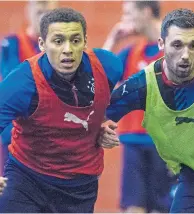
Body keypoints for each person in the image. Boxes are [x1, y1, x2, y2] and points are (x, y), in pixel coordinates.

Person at [102, 8, 194, 213]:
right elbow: (95, 115)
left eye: (193, 45)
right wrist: (98, 133)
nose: (185, 55)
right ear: (161, 44)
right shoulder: (143, 85)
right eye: (177, 45)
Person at [0, 7, 122, 212]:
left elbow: (116, 103)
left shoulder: (108, 66)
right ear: (42, 44)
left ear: (85, 41)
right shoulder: (22, 83)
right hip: (27, 179)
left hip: (79, 186)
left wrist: (100, 124)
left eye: (75, 40)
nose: (67, 49)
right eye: (58, 41)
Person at [103, 1, 174, 213]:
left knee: (163, 208)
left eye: (128, 14)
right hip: (134, 141)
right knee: (133, 207)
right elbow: (96, 80)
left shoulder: (176, 51)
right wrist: (112, 40)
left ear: (146, 12)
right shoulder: (131, 53)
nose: (124, 21)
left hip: (166, 144)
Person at [0, 0, 59, 173]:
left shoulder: (60, 49)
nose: (42, 18)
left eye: (47, 13)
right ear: (29, 11)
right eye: (39, 12)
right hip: (16, 139)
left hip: (49, 141)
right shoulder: (11, 45)